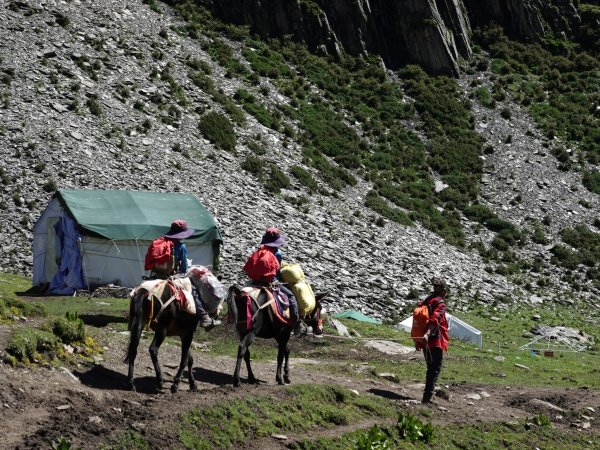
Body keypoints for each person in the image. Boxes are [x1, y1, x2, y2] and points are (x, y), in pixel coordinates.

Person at [163, 219, 219, 331]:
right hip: (173, 275)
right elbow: (183, 267)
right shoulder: (180, 246)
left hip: (157, 274)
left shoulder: (160, 243)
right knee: (194, 291)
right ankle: (204, 317)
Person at [247, 227, 301, 331]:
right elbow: (276, 271)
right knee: (291, 296)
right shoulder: (277, 254)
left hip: (254, 281)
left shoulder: (259, 251)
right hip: (270, 282)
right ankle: (296, 322)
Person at [419, 277, 449, 404]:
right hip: (434, 340)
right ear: (443, 290)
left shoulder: (427, 301)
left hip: (424, 341)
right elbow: (435, 319)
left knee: (430, 367)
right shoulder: (440, 304)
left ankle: (427, 395)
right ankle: (427, 398)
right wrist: (428, 333)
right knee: (435, 368)